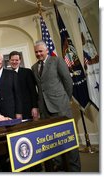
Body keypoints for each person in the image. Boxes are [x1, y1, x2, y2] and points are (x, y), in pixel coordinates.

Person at [31, 40, 81, 172]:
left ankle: (75, 170)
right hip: (45, 111)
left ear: (47, 50)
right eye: (36, 52)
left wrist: (65, 99)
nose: (38, 54)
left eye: (41, 51)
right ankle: (59, 169)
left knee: (68, 139)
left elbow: (68, 82)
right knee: (51, 142)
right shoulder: (34, 67)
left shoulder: (57, 61)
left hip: (60, 107)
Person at [0, 52, 22, 119]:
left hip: (12, 111)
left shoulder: (12, 74)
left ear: (2, 61)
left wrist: (19, 112)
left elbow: (18, 95)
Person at [9, 51, 39, 120]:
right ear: (9, 61)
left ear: (20, 61)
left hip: (29, 109)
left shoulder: (27, 72)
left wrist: (35, 107)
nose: (14, 62)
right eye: (12, 60)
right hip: (15, 112)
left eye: (16, 60)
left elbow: (33, 91)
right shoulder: (8, 75)